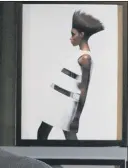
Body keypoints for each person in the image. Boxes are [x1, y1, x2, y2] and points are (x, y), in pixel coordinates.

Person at [36, 10, 104, 141]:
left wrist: (76, 118)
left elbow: (84, 90)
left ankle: (77, 161)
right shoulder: (79, 55)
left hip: (65, 104)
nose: (71, 37)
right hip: (57, 101)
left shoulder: (85, 58)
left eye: (73, 34)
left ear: (82, 34)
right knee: (43, 133)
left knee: (68, 137)